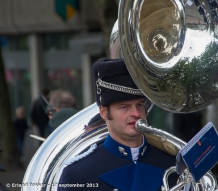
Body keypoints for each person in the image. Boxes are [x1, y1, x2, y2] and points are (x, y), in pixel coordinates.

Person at [58, 58, 178, 191]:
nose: (136, 113)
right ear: (104, 112)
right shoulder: (78, 174)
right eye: (124, 107)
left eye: (139, 105)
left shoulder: (173, 164)